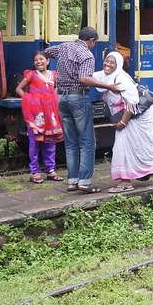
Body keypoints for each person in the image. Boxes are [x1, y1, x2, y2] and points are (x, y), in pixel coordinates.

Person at [44, 27, 121, 194]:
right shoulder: (86, 55)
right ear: (92, 40)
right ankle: (85, 182)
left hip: (62, 99)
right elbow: (84, 79)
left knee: (71, 142)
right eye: (95, 42)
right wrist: (108, 86)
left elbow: (47, 52)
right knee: (87, 141)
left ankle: (72, 181)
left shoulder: (64, 47)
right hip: (78, 98)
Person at [95, 52, 153, 192]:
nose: (108, 64)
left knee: (127, 147)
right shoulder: (103, 76)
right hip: (132, 116)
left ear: (118, 65)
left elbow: (132, 102)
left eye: (112, 62)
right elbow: (88, 79)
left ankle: (126, 182)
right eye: (106, 61)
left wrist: (123, 122)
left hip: (137, 117)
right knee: (137, 147)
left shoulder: (121, 78)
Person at [15, 51, 64, 184]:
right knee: (35, 143)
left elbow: (56, 90)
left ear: (48, 61)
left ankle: (50, 170)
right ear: (33, 62)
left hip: (50, 114)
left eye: (41, 59)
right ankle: (35, 172)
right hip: (36, 115)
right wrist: (29, 100)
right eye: (36, 60)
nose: (38, 62)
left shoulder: (54, 75)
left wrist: (55, 101)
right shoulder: (31, 75)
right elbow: (19, 89)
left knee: (50, 142)